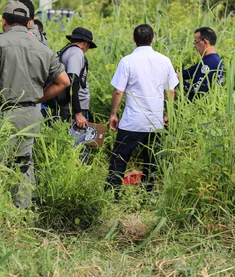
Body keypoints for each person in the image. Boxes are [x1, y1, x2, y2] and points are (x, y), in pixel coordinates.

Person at [0, 0, 70, 209]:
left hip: (3, 111)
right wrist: (38, 98)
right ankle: (21, 211)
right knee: (23, 163)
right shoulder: (42, 47)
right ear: (28, 23)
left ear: (3, 20)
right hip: (32, 113)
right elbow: (64, 81)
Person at [107, 24, 178, 194]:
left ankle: (112, 195)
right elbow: (171, 91)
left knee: (119, 159)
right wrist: (169, 113)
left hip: (132, 121)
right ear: (153, 39)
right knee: (151, 161)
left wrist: (113, 114)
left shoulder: (127, 61)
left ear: (133, 39)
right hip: (155, 121)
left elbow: (118, 91)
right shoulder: (165, 60)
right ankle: (147, 195)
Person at [55, 27, 97, 162]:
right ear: (85, 43)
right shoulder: (76, 53)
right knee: (79, 146)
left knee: (69, 141)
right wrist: (78, 113)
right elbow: (72, 82)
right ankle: (78, 169)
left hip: (68, 104)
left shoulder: (66, 51)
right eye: (88, 46)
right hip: (75, 107)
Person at [180, 27, 224, 100]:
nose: (194, 46)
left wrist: (181, 82)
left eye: (196, 42)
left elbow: (197, 94)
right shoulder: (213, 59)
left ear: (205, 42)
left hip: (203, 107)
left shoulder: (209, 63)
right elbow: (187, 73)